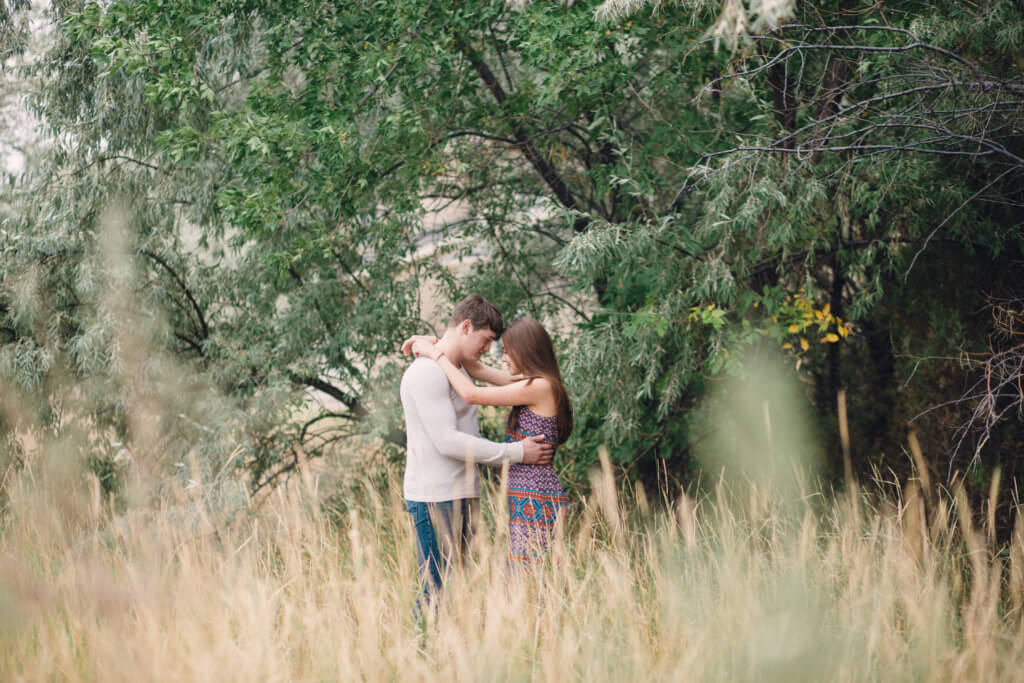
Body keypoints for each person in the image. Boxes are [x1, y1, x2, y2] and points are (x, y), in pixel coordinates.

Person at [399, 295, 553, 597]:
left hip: (464, 494)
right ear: (466, 326)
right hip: (435, 499)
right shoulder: (427, 373)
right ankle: (427, 645)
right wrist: (518, 453)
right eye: (486, 340)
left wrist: (434, 346)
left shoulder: (459, 372)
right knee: (436, 593)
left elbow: (473, 428)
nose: (487, 350)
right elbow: (448, 442)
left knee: (457, 593)